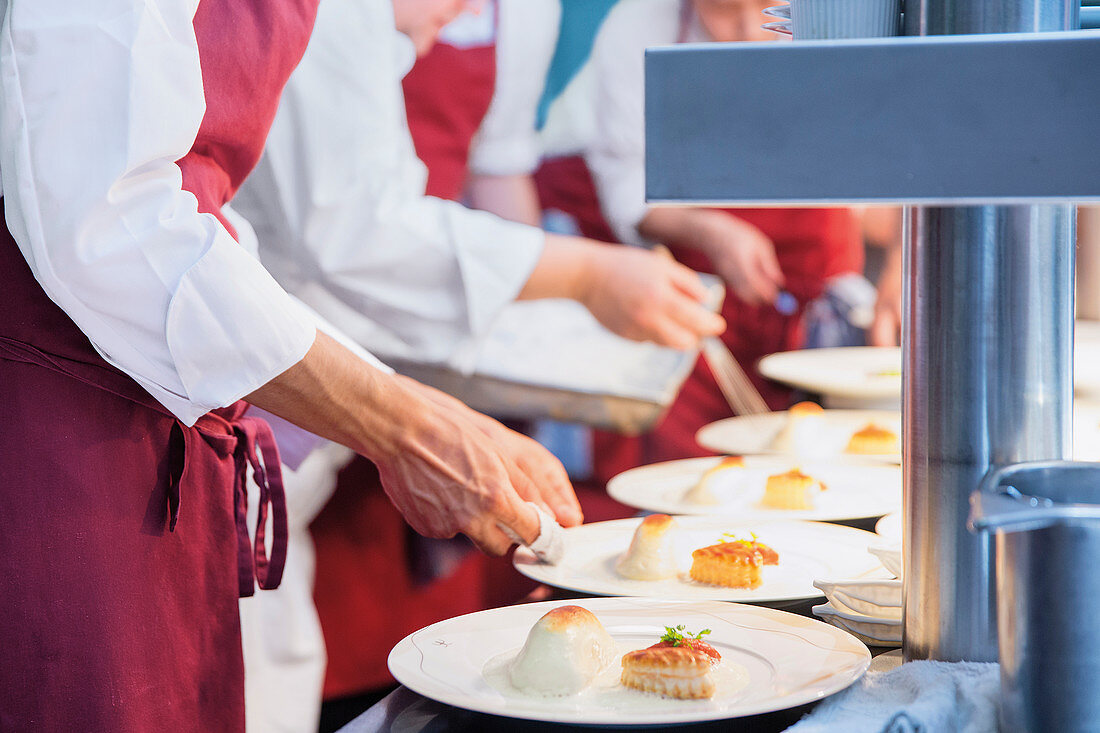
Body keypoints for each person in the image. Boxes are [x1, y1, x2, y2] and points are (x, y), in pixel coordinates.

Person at [0, 1, 593, 729]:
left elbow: (197, 214)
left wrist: (408, 407)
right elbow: (110, 222)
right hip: (54, 428)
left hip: (170, 423)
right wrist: (401, 425)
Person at [229, 0, 725, 727]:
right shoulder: (331, 17)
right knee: (253, 620)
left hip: (367, 359)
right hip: (274, 363)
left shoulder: (517, 17)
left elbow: (489, 173)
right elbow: (355, 229)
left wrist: (543, 322)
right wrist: (582, 276)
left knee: (283, 623)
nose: (431, 36)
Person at [582, 0, 894, 480]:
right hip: (698, 330)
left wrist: (905, 256)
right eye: (725, 13)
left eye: (767, 9)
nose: (750, 30)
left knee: (835, 483)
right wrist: (708, 228)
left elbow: (902, 156)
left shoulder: (851, 17)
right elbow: (625, 182)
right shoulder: (638, 24)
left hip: (824, 334)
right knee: (696, 487)